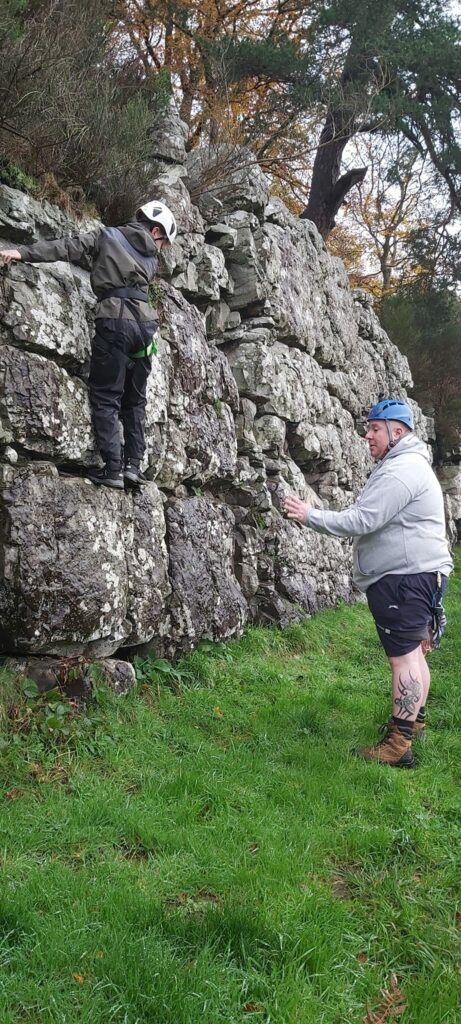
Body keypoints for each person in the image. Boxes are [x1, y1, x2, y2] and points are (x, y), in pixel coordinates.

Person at [283, 399, 453, 769]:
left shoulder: (401, 470)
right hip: (419, 574)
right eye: (369, 428)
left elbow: (362, 520)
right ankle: (412, 724)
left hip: (405, 578)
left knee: (403, 657)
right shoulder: (409, 464)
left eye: (375, 428)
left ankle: (398, 745)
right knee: (414, 653)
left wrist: (309, 515)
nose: (367, 435)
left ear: (397, 431)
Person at [0, 200, 177, 489]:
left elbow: (66, 247)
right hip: (145, 329)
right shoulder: (150, 260)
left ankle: (113, 469)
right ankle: (133, 466)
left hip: (116, 321)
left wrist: (22, 252)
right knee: (135, 401)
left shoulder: (107, 236)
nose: (161, 249)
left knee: (106, 396)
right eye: (163, 242)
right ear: (155, 230)